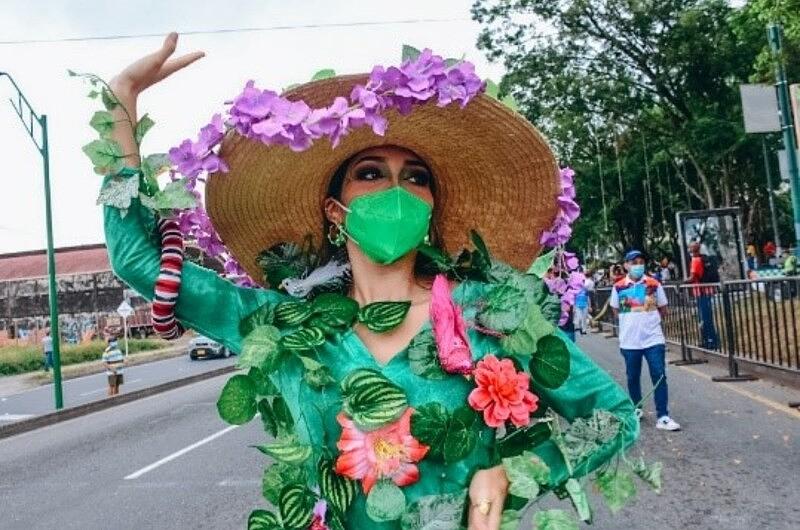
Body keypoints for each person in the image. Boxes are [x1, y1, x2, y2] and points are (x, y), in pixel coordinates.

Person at [99, 34, 639, 529]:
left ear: (431, 207)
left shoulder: (490, 313)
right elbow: (139, 261)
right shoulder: (284, 326)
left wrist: (519, 470)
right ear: (336, 211)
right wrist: (122, 102)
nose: (396, 190)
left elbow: (614, 417)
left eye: (416, 178)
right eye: (371, 173)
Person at [610, 250, 680, 431]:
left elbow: (663, 309)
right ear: (626, 265)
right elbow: (615, 311)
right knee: (632, 377)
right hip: (629, 342)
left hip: (653, 340)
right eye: (633, 262)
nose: (637, 265)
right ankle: (636, 408)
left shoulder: (654, 284)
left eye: (640, 262)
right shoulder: (618, 287)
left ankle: (663, 416)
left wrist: (650, 321)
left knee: (659, 375)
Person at [688, 241, 719, 350]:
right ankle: (708, 340)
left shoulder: (695, 260)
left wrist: (681, 283)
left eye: (690, 248)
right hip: (706, 291)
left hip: (701, 292)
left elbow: (692, 278)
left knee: (705, 318)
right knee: (705, 317)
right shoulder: (703, 258)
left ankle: (711, 341)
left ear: (693, 249)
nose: (689, 250)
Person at [102, 330, 125, 396]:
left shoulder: (118, 350)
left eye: (115, 341)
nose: (114, 342)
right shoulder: (107, 351)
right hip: (112, 372)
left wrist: (124, 362)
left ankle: (117, 398)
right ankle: (110, 400)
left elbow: (121, 359)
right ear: (109, 343)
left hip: (119, 371)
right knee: (112, 386)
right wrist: (111, 369)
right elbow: (104, 362)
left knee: (117, 385)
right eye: (113, 341)